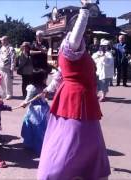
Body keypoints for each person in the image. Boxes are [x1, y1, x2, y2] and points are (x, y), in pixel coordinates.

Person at [37, 3, 110, 180]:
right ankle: (57, 174)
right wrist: (84, 10)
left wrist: (48, 89)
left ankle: (89, 172)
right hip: (76, 98)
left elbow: (61, 74)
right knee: (73, 140)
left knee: (86, 140)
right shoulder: (72, 45)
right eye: (84, 27)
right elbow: (76, 34)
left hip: (77, 97)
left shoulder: (73, 50)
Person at [19, 69, 49, 154]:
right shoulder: (32, 88)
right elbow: (28, 99)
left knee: (36, 128)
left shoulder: (43, 87)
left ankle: (37, 146)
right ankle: (35, 145)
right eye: (44, 77)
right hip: (38, 110)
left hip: (40, 110)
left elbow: (27, 100)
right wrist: (24, 104)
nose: (46, 79)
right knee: (38, 128)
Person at [0, 36, 15, 100]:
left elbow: (13, 58)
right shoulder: (0, 49)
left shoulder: (11, 48)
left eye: (4, 40)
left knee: (8, 82)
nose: (2, 41)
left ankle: (9, 94)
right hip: (1, 68)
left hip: (7, 68)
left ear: (7, 40)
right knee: (2, 82)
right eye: (2, 40)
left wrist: (12, 67)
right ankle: (4, 93)